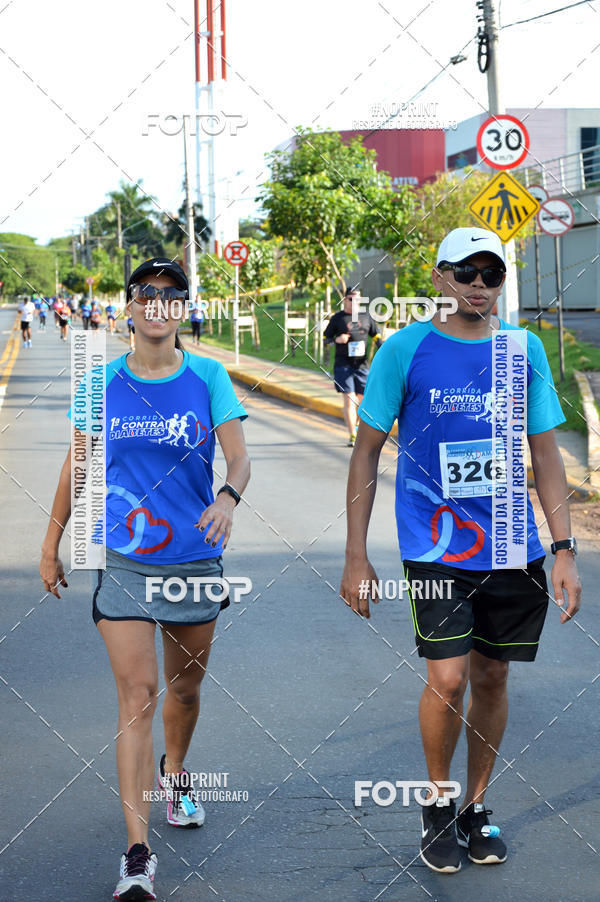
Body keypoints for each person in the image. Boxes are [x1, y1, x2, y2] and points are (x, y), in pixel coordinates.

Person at [340, 227, 582, 875]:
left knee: (493, 677)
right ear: (440, 276)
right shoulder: (406, 349)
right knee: (447, 678)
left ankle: (476, 807)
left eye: (491, 274)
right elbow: (365, 452)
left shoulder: (520, 348)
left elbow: (546, 455)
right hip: (435, 543)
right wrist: (356, 555)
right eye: (465, 273)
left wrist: (563, 549)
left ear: (503, 281)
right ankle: (437, 802)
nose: (479, 285)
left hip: (512, 544)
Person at [39, 257, 250, 901]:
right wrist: (51, 544)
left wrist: (226, 497)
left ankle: (176, 773)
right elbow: (77, 466)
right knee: (139, 694)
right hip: (125, 558)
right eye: (146, 294)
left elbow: (238, 455)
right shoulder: (100, 383)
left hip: (193, 557)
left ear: (183, 308)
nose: (158, 304)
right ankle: (137, 853)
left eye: (171, 295)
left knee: (183, 692)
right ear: (127, 306)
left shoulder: (210, 376)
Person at [323, 287, 382, 446]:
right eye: (351, 299)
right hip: (343, 365)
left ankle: (356, 425)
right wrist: (337, 339)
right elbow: (326, 339)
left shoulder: (366, 316)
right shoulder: (338, 318)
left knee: (362, 401)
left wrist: (385, 351)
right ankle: (352, 436)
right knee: (350, 399)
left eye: (358, 299)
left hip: (362, 365)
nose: (354, 302)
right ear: (345, 300)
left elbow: (377, 337)